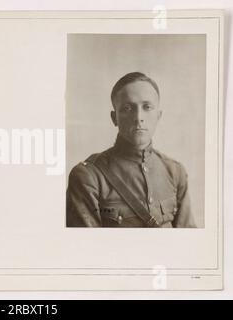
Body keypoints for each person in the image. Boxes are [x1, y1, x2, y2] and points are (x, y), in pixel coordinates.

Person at [66, 72, 196, 228]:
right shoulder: (89, 176)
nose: (138, 117)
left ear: (158, 116)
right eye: (127, 108)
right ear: (114, 118)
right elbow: (87, 247)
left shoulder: (175, 172)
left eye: (147, 107)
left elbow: (188, 242)